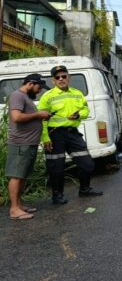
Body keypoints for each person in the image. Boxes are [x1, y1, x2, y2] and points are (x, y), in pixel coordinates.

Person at [38, 65, 103, 204]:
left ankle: (84, 189)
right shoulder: (47, 96)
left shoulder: (77, 93)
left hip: (73, 134)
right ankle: (57, 195)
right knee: (56, 167)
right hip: (54, 135)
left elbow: (85, 110)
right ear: (53, 80)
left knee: (87, 164)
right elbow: (41, 119)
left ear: (69, 77)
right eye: (57, 77)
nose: (61, 79)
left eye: (64, 76)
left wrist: (79, 115)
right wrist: (45, 137)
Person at [5, 74, 51, 220]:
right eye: (39, 87)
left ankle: (19, 205)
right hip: (20, 144)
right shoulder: (17, 95)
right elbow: (16, 117)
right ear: (31, 83)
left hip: (29, 143)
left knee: (23, 176)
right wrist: (38, 115)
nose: (39, 90)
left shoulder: (25, 97)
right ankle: (14, 209)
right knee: (17, 176)